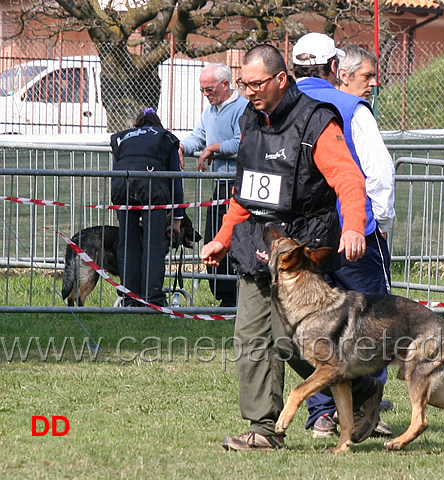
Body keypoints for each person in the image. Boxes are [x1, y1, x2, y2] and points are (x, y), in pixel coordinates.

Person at [200, 44, 383, 451]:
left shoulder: (316, 121)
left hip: (302, 250)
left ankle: (360, 385)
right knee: (251, 339)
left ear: (282, 79)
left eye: (256, 84)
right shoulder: (250, 118)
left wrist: (354, 227)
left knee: (288, 341)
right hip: (257, 245)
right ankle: (264, 430)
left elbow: (349, 180)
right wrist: (223, 237)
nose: (248, 92)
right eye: (244, 84)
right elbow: (245, 193)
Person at [292, 33, 396, 439]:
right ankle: (367, 400)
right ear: (336, 69)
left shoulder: (276, 108)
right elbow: (379, 174)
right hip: (354, 236)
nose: (372, 83)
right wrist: (379, 227)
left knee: (315, 329)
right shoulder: (352, 108)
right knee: (375, 322)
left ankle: (322, 414)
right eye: (367, 75)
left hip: (301, 240)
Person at [179, 63, 248, 307]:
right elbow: (198, 135)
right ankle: (224, 295)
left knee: (232, 240)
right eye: (202, 90)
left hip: (239, 186)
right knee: (213, 238)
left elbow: (244, 143)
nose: (206, 94)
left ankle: (238, 296)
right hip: (219, 187)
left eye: (209, 89)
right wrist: (182, 147)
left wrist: (214, 148)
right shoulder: (210, 111)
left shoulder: (243, 109)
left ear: (225, 85)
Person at [110, 108, 184, 307]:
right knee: (153, 245)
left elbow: (116, 169)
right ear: (157, 124)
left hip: (121, 189)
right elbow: (175, 180)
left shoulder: (121, 138)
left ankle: (130, 298)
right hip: (153, 189)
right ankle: (153, 299)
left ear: (138, 124)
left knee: (128, 244)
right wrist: (178, 218)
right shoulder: (165, 138)